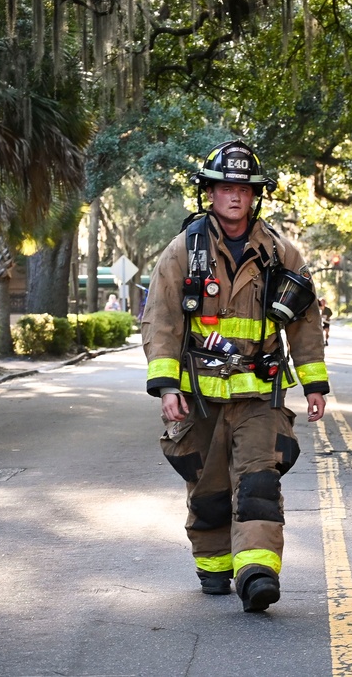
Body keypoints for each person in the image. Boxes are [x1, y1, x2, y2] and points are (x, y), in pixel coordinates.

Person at [140, 139, 330, 613]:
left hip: (259, 396)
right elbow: (161, 318)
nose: (234, 195)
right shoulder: (184, 250)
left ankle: (257, 572)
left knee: (259, 480)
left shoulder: (280, 253)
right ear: (210, 192)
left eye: (244, 188)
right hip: (199, 395)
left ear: (255, 196)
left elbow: (305, 321)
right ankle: (213, 564)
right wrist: (166, 386)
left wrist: (314, 384)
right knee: (207, 487)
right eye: (225, 186)